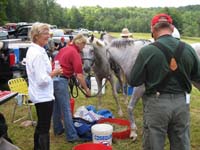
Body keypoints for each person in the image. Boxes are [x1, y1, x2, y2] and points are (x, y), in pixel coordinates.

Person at [128, 13, 200, 150]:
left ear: (153, 29)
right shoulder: (189, 49)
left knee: (154, 144)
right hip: (181, 103)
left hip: (156, 104)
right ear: (172, 28)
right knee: (181, 144)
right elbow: (198, 77)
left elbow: (133, 80)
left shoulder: (147, 51)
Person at [26, 23, 63, 150]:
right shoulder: (37, 54)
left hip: (40, 94)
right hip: (43, 96)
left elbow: (41, 74)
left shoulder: (37, 50)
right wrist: (55, 73)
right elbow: (42, 80)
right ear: (36, 36)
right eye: (45, 33)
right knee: (44, 128)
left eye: (49, 33)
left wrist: (51, 71)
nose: (48, 36)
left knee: (41, 125)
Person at [53, 34, 91, 142]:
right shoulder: (75, 53)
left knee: (56, 107)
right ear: (79, 43)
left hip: (53, 79)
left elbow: (57, 63)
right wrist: (86, 89)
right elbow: (80, 75)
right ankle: (72, 136)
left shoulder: (64, 49)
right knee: (66, 109)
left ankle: (58, 129)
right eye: (83, 45)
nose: (84, 48)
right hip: (61, 80)